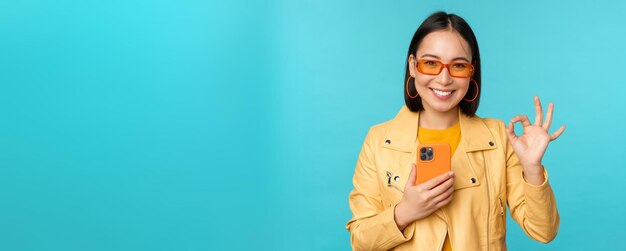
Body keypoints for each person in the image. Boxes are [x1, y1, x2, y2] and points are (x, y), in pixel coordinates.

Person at [346, 11, 565, 251]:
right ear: (412, 66)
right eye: (431, 63)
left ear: (471, 72)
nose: (444, 78)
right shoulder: (379, 141)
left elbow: (543, 231)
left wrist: (532, 169)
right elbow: (360, 241)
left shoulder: (498, 138)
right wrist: (404, 212)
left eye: (458, 66)